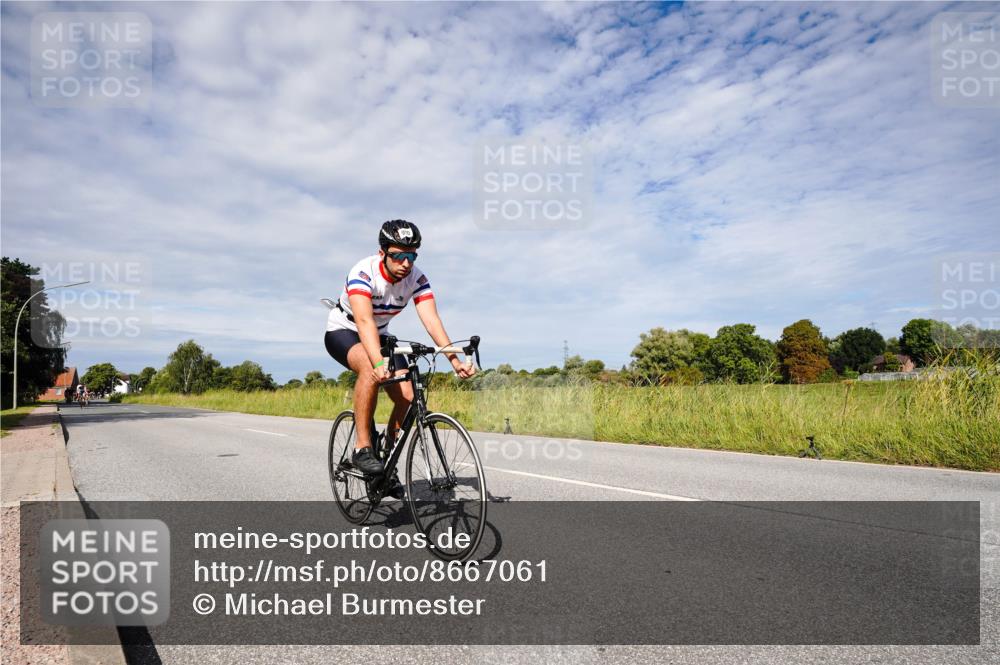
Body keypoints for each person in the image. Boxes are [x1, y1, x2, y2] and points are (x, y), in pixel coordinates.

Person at [324, 220, 476, 479]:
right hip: (344, 331)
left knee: (407, 396)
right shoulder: (363, 272)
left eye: (411, 256)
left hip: (381, 335)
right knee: (370, 367)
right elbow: (364, 321)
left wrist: (454, 359)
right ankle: (362, 447)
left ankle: (388, 453)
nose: (406, 263)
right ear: (382, 253)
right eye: (398, 256)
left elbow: (432, 321)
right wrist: (379, 363)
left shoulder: (416, 278)